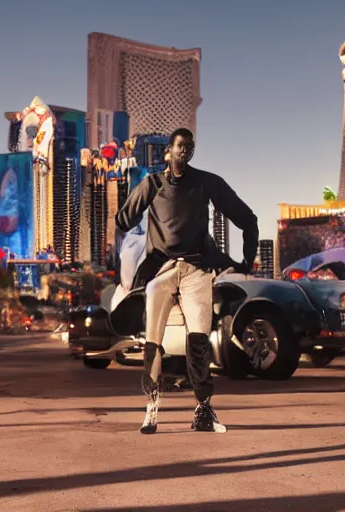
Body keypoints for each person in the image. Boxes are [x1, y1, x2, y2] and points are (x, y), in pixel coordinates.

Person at [115, 128, 259, 434]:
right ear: (168, 151)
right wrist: (128, 212)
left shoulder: (207, 182)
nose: (185, 150)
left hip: (196, 271)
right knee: (153, 341)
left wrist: (247, 259)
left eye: (190, 146)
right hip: (161, 271)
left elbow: (247, 219)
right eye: (180, 145)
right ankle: (151, 407)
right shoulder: (151, 183)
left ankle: (203, 409)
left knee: (199, 341)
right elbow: (123, 220)